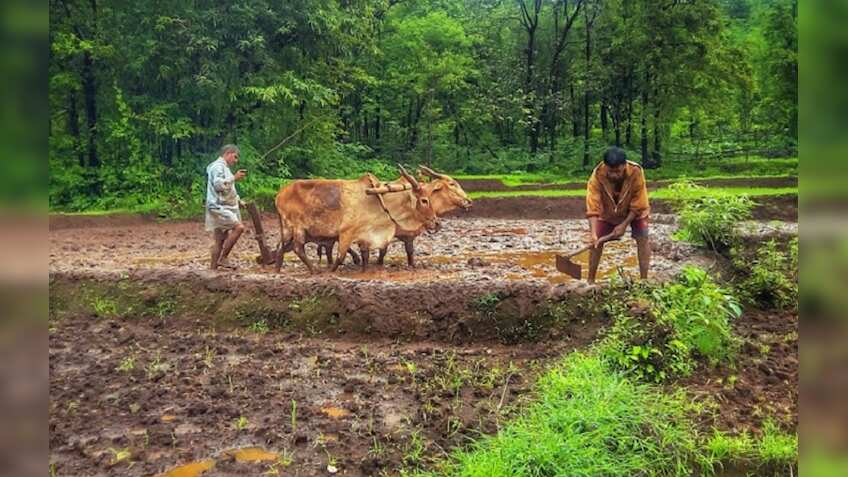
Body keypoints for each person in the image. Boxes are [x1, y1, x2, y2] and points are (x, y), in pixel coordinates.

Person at [585, 146, 651, 283]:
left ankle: (644, 281)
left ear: (624, 166)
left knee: (643, 238)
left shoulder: (636, 172)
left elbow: (638, 202)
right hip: (608, 211)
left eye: (618, 172)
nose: (614, 175)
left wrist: (624, 224)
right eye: (611, 172)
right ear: (605, 166)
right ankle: (590, 281)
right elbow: (593, 205)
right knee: (596, 242)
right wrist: (593, 234)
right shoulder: (597, 175)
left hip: (635, 212)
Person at [206, 144, 247, 270]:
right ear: (228, 153)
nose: (236, 161)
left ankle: (213, 270)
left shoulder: (224, 168)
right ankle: (223, 257)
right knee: (239, 228)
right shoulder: (218, 167)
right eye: (235, 157)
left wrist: (238, 200)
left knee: (219, 240)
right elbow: (218, 186)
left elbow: (229, 190)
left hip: (219, 206)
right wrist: (234, 177)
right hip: (218, 207)